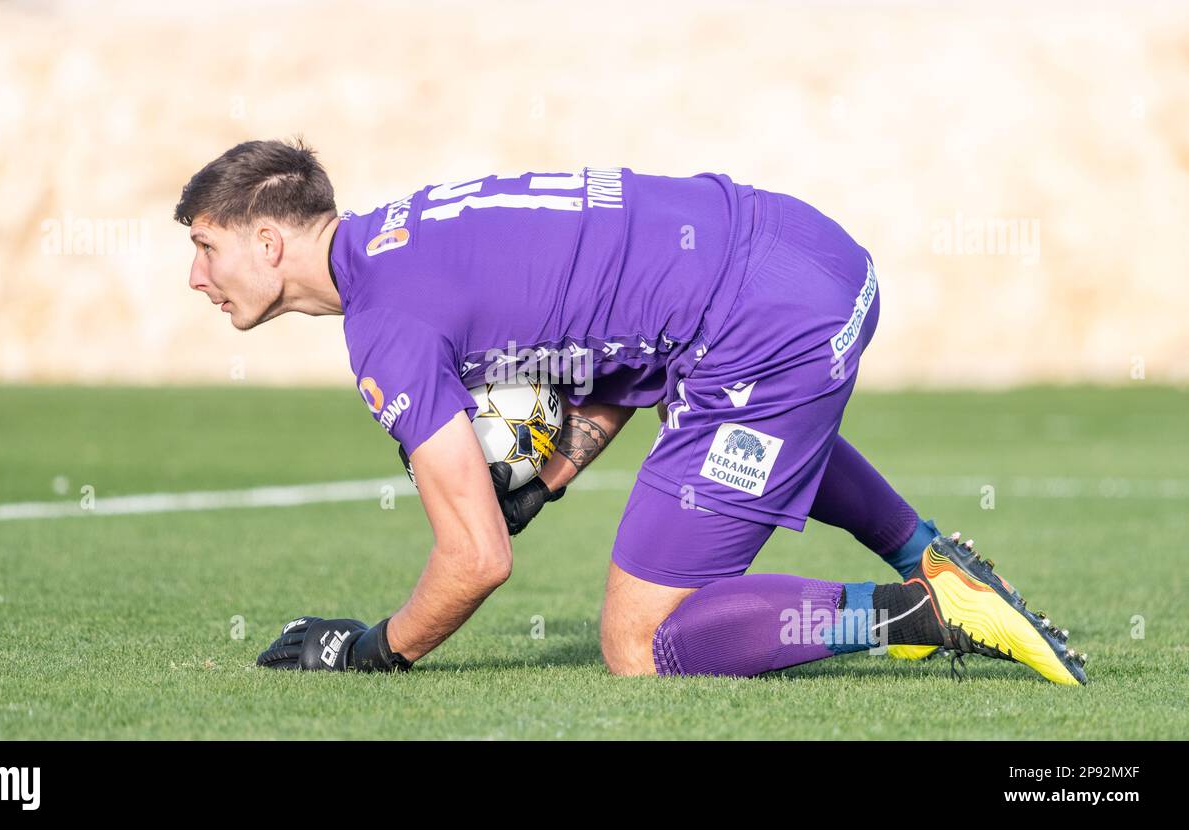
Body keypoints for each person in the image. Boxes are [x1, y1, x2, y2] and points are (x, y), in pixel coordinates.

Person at [174, 138, 1086, 685]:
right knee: (717, 408)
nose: (197, 276)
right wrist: (558, 468)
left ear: (267, 238)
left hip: (765, 325)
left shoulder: (385, 327)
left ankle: (929, 613)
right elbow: (624, 328)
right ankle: (928, 551)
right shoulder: (412, 226)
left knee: (640, 645)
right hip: (806, 249)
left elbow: (478, 558)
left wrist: (372, 650)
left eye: (208, 248)